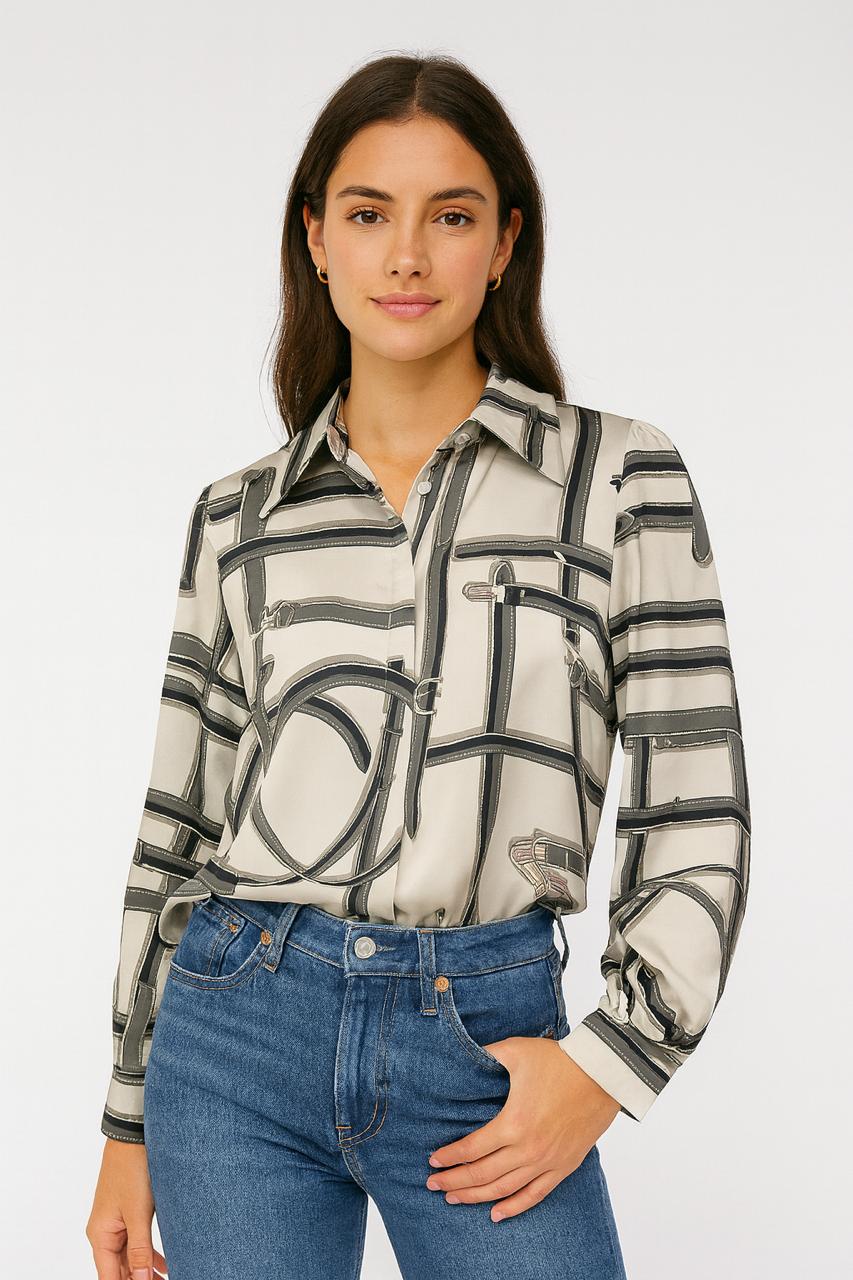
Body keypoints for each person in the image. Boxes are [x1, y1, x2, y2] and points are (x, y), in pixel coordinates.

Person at [86, 52, 750, 1280]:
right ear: (315, 239)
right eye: (366, 214)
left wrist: (612, 1063)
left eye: (449, 216)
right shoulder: (238, 516)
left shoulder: (618, 479)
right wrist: (126, 1123)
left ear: (503, 244)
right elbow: (177, 825)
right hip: (234, 1037)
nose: (405, 256)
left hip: (482, 1039)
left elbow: (694, 802)